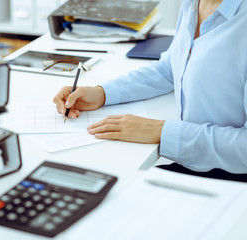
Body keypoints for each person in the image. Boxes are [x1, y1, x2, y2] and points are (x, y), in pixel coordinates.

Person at [53, 0, 247, 174]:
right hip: (191, 163)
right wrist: (102, 93)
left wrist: (162, 131)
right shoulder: (192, 4)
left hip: (230, 177)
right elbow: (169, 69)